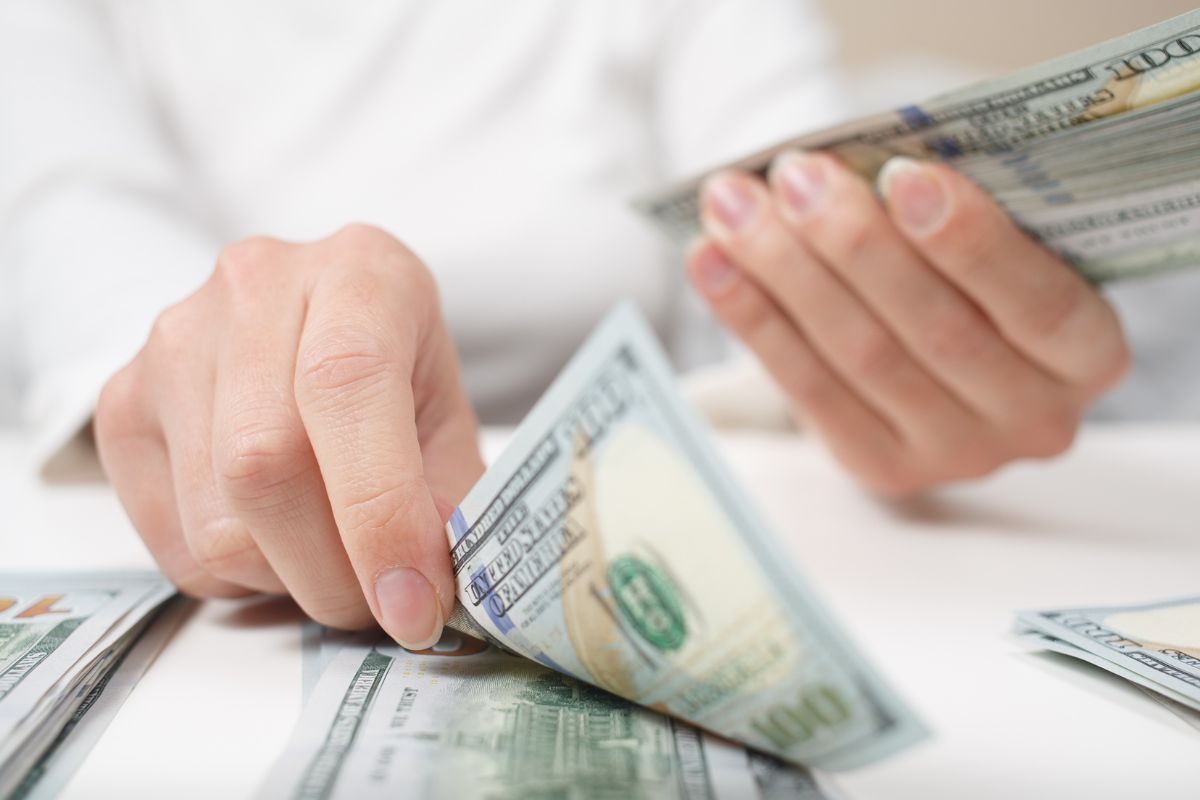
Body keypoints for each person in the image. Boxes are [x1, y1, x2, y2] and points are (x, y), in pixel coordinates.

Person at [1, 1, 1189, 652]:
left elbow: (789, 180)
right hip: (244, 619)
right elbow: (102, 290)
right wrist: (214, 382)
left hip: (739, 505)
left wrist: (873, 352)